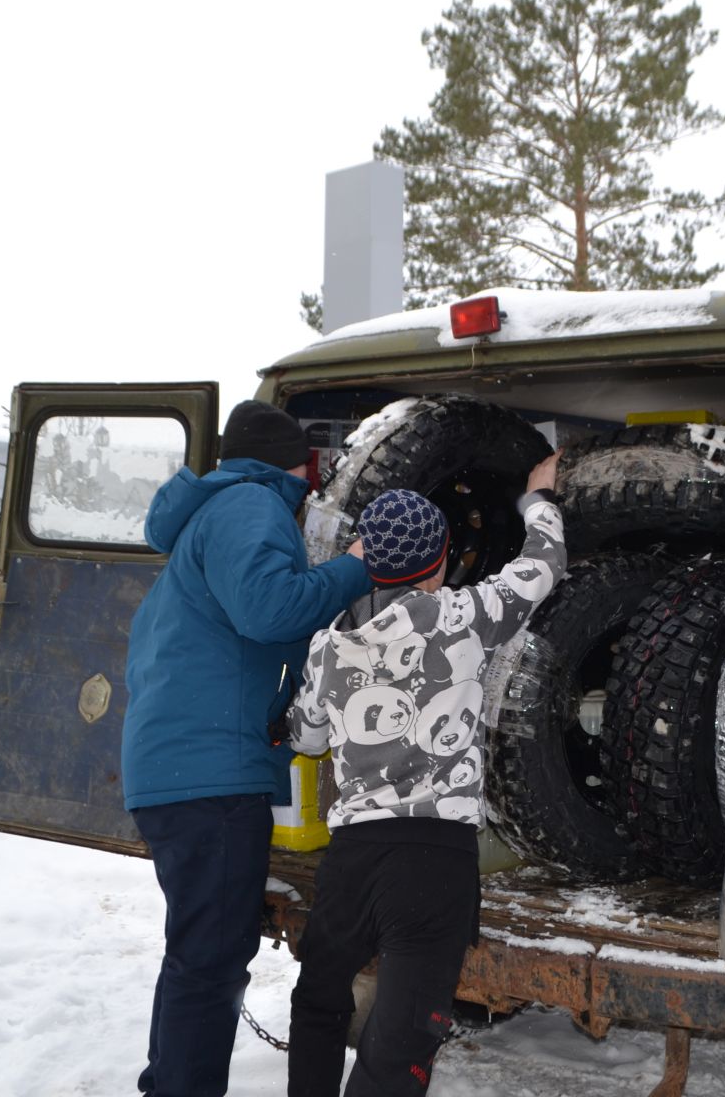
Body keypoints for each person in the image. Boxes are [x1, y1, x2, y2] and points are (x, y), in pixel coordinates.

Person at [284, 454, 565, 1097]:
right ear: (439, 562)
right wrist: (538, 501)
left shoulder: (330, 647)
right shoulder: (464, 618)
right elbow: (543, 565)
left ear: (369, 561)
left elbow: (307, 738)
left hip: (353, 859)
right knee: (402, 1046)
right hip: (433, 861)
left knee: (320, 1002)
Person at [122, 399, 373, 1097]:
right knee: (210, 958)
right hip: (210, 776)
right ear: (297, 463)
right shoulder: (252, 505)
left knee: (197, 953)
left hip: (180, 769)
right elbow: (271, 612)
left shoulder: (210, 512)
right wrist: (356, 566)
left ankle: (169, 1084)